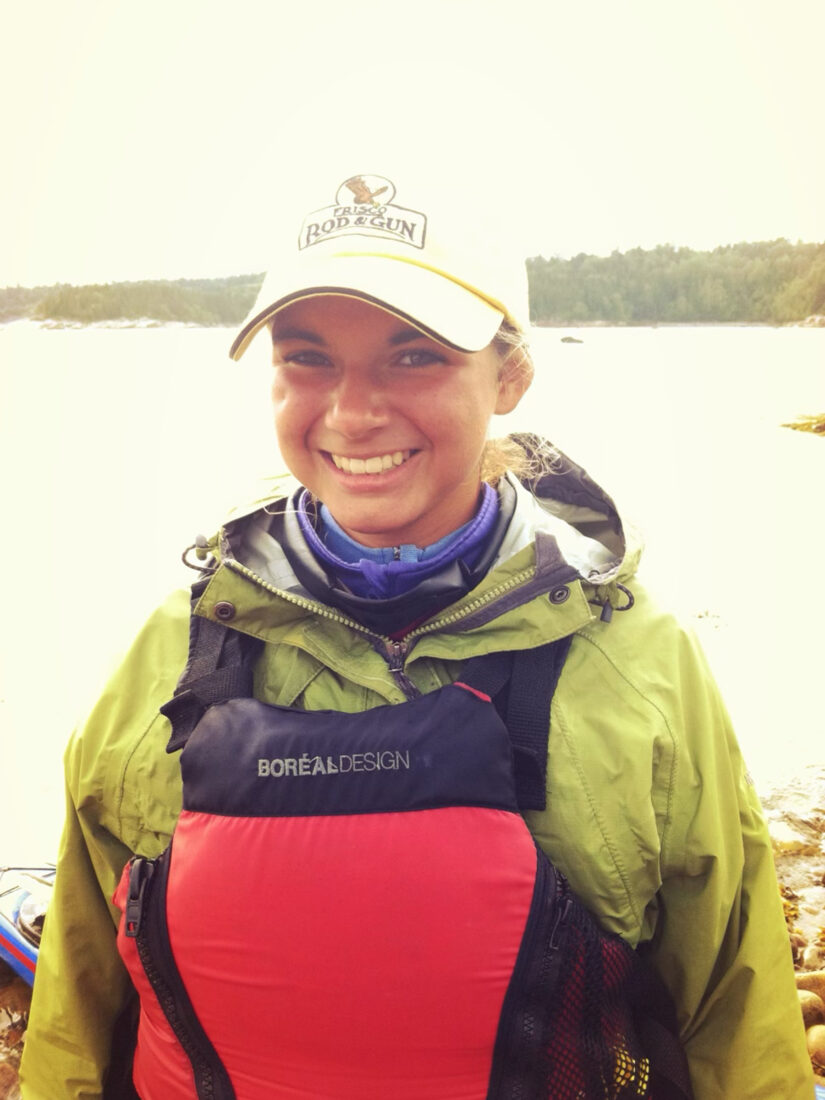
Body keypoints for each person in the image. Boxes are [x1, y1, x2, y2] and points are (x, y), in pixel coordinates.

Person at [20, 171, 811, 1099]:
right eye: (307, 358)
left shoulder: (637, 663)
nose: (352, 415)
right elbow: (79, 1004)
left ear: (509, 375)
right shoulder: (172, 652)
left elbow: (731, 1004)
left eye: (413, 357)